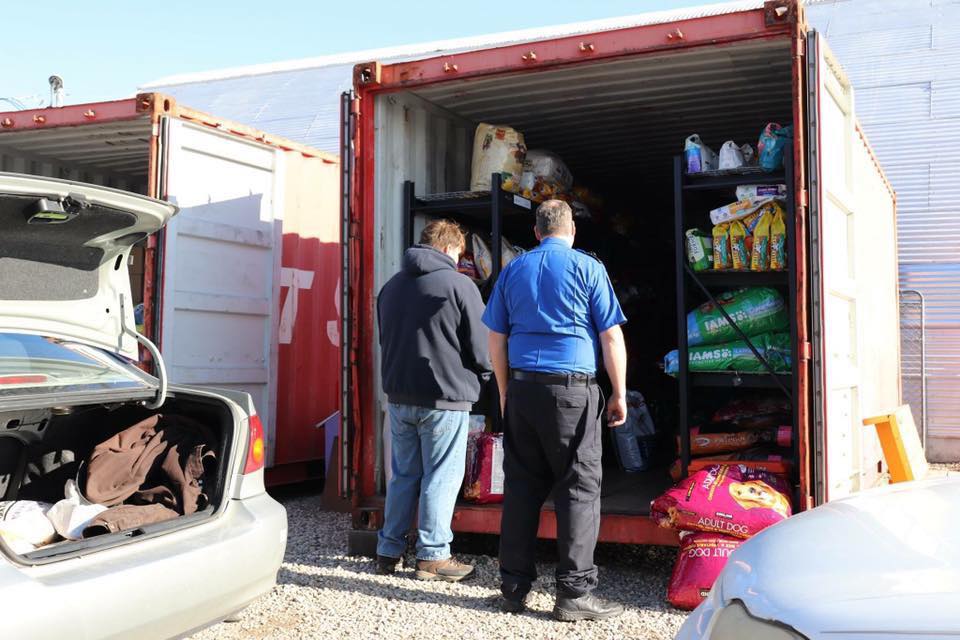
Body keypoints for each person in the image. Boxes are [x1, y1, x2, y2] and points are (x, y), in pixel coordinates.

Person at [483, 199, 628, 621]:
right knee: (578, 490)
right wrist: (619, 392)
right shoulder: (588, 269)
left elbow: (496, 338)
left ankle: (512, 589)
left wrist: (507, 392)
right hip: (572, 394)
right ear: (572, 231)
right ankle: (574, 595)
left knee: (522, 489)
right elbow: (611, 337)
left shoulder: (513, 269)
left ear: (536, 232)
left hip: (524, 390)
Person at [375, 219, 491, 582]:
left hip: (399, 395)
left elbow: (385, 338)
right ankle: (433, 555)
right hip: (445, 397)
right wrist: (487, 376)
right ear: (448, 249)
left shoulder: (390, 287)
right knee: (442, 475)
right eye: (458, 254)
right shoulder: (460, 286)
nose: (459, 261)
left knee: (404, 475)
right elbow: (480, 345)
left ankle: (388, 549)